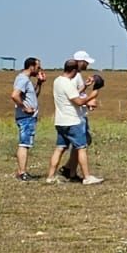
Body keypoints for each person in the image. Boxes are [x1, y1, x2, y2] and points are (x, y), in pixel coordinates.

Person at [45, 57, 102, 185]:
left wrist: (84, 88)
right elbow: (78, 101)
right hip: (72, 121)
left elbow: (71, 95)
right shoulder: (67, 83)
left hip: (60, 121)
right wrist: (93, 95)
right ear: (74, 70)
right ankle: (87, 177)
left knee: (59, 148)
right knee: (81, 148)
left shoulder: (57, 81)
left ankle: (50, 176)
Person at [10, 57, 44, 180]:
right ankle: (22, 172)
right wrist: (24, 108)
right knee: (24, 144)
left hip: (28, 117)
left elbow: (33, 96)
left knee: (26, 143)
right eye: (38, 67)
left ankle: (21, 171)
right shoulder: (23, 79)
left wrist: (39, 83)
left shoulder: (26, 80)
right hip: (26, 117)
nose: (39, 69)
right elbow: (14, 95)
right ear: (31, 67)